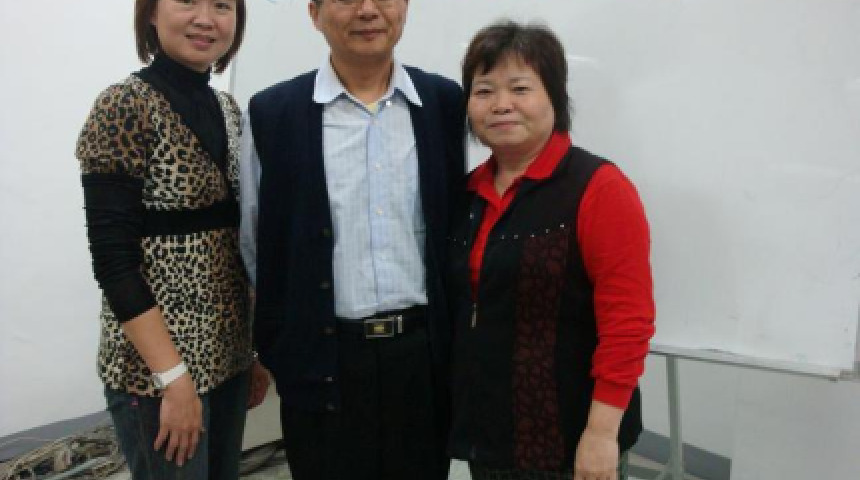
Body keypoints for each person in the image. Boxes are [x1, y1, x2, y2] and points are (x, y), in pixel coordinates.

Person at [238, 0, 465, 479]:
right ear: (314, 12)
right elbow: (257, 242)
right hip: (323, 358)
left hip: (422, 358)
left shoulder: (443, 103)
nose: (367, 10)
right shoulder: (273, 113)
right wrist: (279, 342)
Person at [447, 21, 656, 480]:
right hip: (490, 435)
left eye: (520, 88)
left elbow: (627, 323)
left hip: (571, 439)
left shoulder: (599, 188)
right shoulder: (468, 193)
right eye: (484, 91)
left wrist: (601, 434)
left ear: (554, 98)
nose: (501, 104)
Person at [75, 1, 269, 479]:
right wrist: (174, 378)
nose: (205, 19)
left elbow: (238, 243)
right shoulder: (123, 105)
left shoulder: (228, 110)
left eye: (222, 5)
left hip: (227, 358)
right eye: (187, 1)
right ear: (151, 14)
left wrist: (253, 352)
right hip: (156, 373)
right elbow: (113, 262)